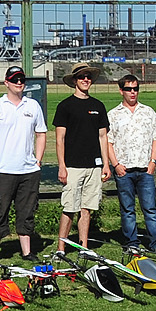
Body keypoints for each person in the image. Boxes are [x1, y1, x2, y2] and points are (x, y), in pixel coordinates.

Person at [0, 64, 48, 260]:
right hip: (4, 170)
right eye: (15, 80)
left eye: (21, 80)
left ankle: (26, 251)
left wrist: (38, 161)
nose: (19, 83)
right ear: (6, 83)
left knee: (27, 211)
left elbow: (41, 133)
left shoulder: (32, 106)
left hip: (28, 171)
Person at [53, 64, 111, 251]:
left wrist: (106, 164)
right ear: (74, 81)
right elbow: (60, 139)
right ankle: (61, 247)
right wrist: (62, 166)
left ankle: (84, 246)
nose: (85, 80)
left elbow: (103, 137)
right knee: (70, 208)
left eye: (88, 77)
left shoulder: (98, 106)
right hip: (72, 166)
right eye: (81, 77)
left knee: (87, 208)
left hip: (94, 166)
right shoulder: (65, 106)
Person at [106, 73, 156, 252]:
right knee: (127, 210)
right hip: (124, 170)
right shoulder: (113, 115)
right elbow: (108, 142)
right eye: (128, 89)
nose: (132, 92)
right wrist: (116, 165)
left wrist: (153, 162)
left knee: (150, 209)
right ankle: (132, 243)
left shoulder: (148, 112)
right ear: (121, 91)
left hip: (145, 170)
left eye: (135, 89)